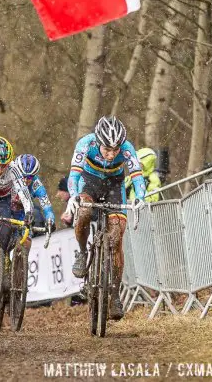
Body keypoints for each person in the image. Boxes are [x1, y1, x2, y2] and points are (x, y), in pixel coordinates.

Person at [61, 116, 145, 321]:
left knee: (116, 238)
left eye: (115, 150)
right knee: (85, 212)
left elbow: (136, 175)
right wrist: (73, 196)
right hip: (89, 182)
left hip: (115, 186)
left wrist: (140, 197)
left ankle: (115, 295)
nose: (111, 154)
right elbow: (74, 175)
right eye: (106, 149)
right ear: (98, 142)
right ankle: (82, 253)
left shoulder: (127, 147)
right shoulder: (85, 144)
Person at [12, 154, 56, 233]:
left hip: (24, 212)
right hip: (7, 208)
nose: (25, 180)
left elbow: (47, 207)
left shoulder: (36, 184)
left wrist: (50, 221)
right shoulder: (10, 177)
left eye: (29, 177)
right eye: (22, 176)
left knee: (36, 215)